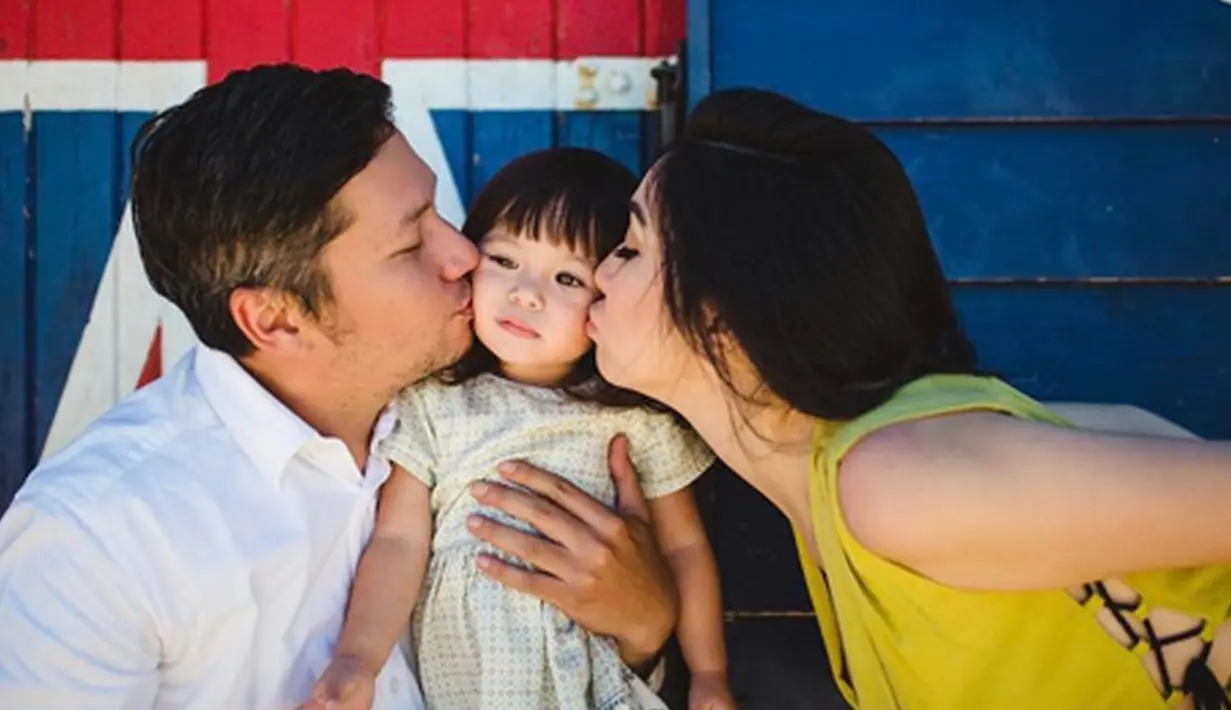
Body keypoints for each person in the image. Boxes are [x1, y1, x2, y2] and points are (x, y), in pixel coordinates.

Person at [472, 87, 1231, 709]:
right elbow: (1135, 436)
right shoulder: (845, 488)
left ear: (724, 309)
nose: (600, 274)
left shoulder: (892, 480)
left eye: (631, 249)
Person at [0, 65, 676, 710]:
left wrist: (643, 626)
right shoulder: (96, 540)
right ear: (275, 318)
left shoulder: (491, 410)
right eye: (411, 246)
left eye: (436, 212)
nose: (464, 255)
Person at [302, 148, 733, 710]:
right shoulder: (433, 403)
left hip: (595, 685)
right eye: (503, 260)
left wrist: (709, 674)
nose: (526, 293)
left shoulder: (632, 419)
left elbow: (684, 547)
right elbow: (399, 540)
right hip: (466, 684)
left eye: (567, 278)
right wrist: (357, 659)